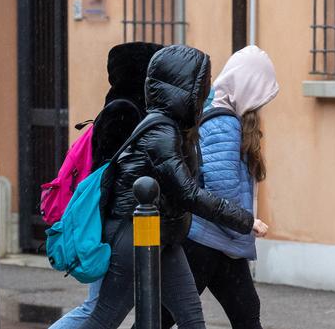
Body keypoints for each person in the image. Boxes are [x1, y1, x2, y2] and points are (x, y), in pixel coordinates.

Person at [81, 45, 269, 329]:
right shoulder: (161, 132)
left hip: (166, 233)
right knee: (103, 317)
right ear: (186, 88)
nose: (208, 93)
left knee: (191, 318)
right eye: (202, 86)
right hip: (133, 235)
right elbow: (188, 193)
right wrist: (244, 220)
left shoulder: (176, 128)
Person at [161, 45, 279, 329]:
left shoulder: (219, 114)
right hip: (205, 240)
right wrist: (246, 224)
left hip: (219, 242)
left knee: (246, 313)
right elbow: (222, 189)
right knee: (163, 316)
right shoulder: (224, 122)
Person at [49, 42, 163, 329]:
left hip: (118, 221)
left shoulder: (124, 106)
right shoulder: (124, 110)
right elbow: (111, 173)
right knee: (97, 310)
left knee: (109, 309)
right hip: (113, 223)